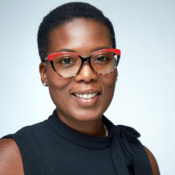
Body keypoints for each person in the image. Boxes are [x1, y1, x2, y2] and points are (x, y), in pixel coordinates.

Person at [0, 2, 160, 175]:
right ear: (45, 73)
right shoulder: (13, 158)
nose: (87, 75)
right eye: (67, 61)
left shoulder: (143, 159)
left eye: (101, 58)